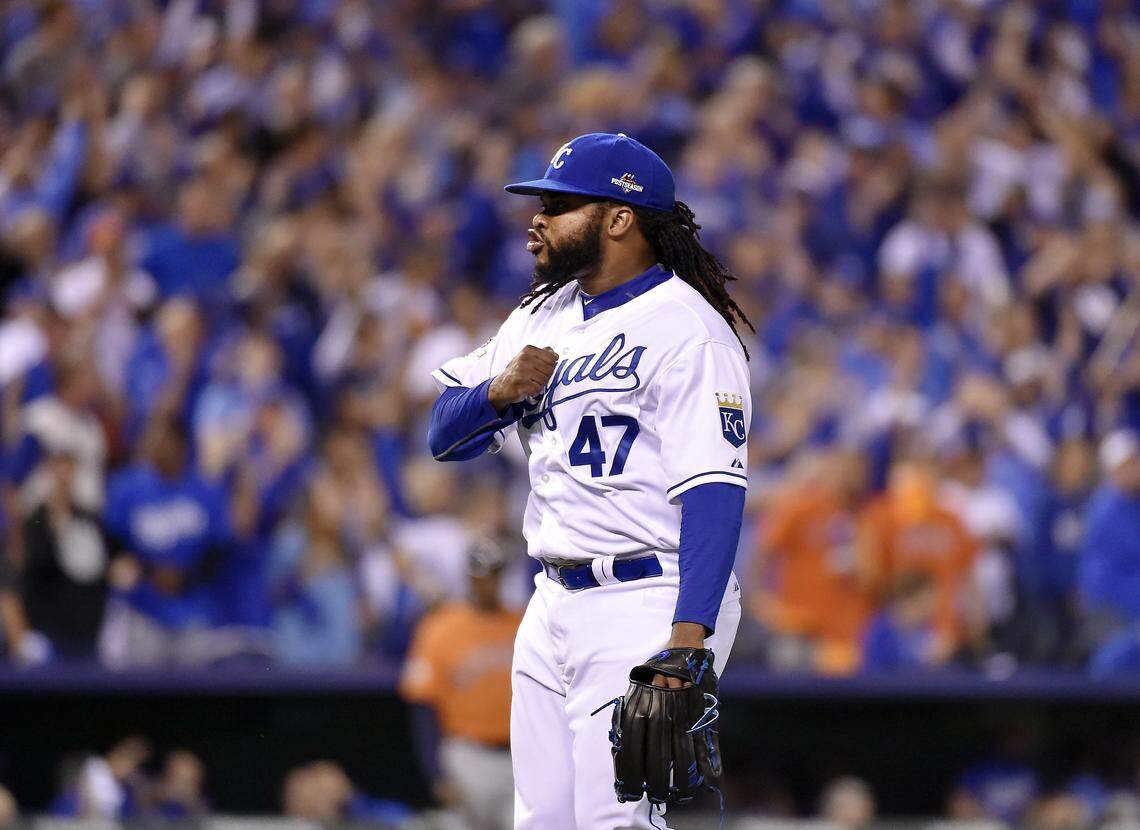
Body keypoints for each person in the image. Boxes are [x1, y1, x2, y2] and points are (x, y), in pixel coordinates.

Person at [427, 133, 751, 829]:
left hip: (648, 595)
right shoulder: (540, 314)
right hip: (548, 602)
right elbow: (441, 437)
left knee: (616, 822)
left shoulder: (688, 330)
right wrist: (494, 392)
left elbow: (715, 494)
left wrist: (686, 639)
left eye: (560, 204)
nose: (537, 219)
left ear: (620, 217)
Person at [400, 539, 522, 830]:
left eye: (493, 574)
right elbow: (422, 706)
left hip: (518, 757)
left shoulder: (523, 623)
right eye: (481, 575)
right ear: (468, 576)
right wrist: (435, 774)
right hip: (467, 755)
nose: (487, 583)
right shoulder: (440, 627)